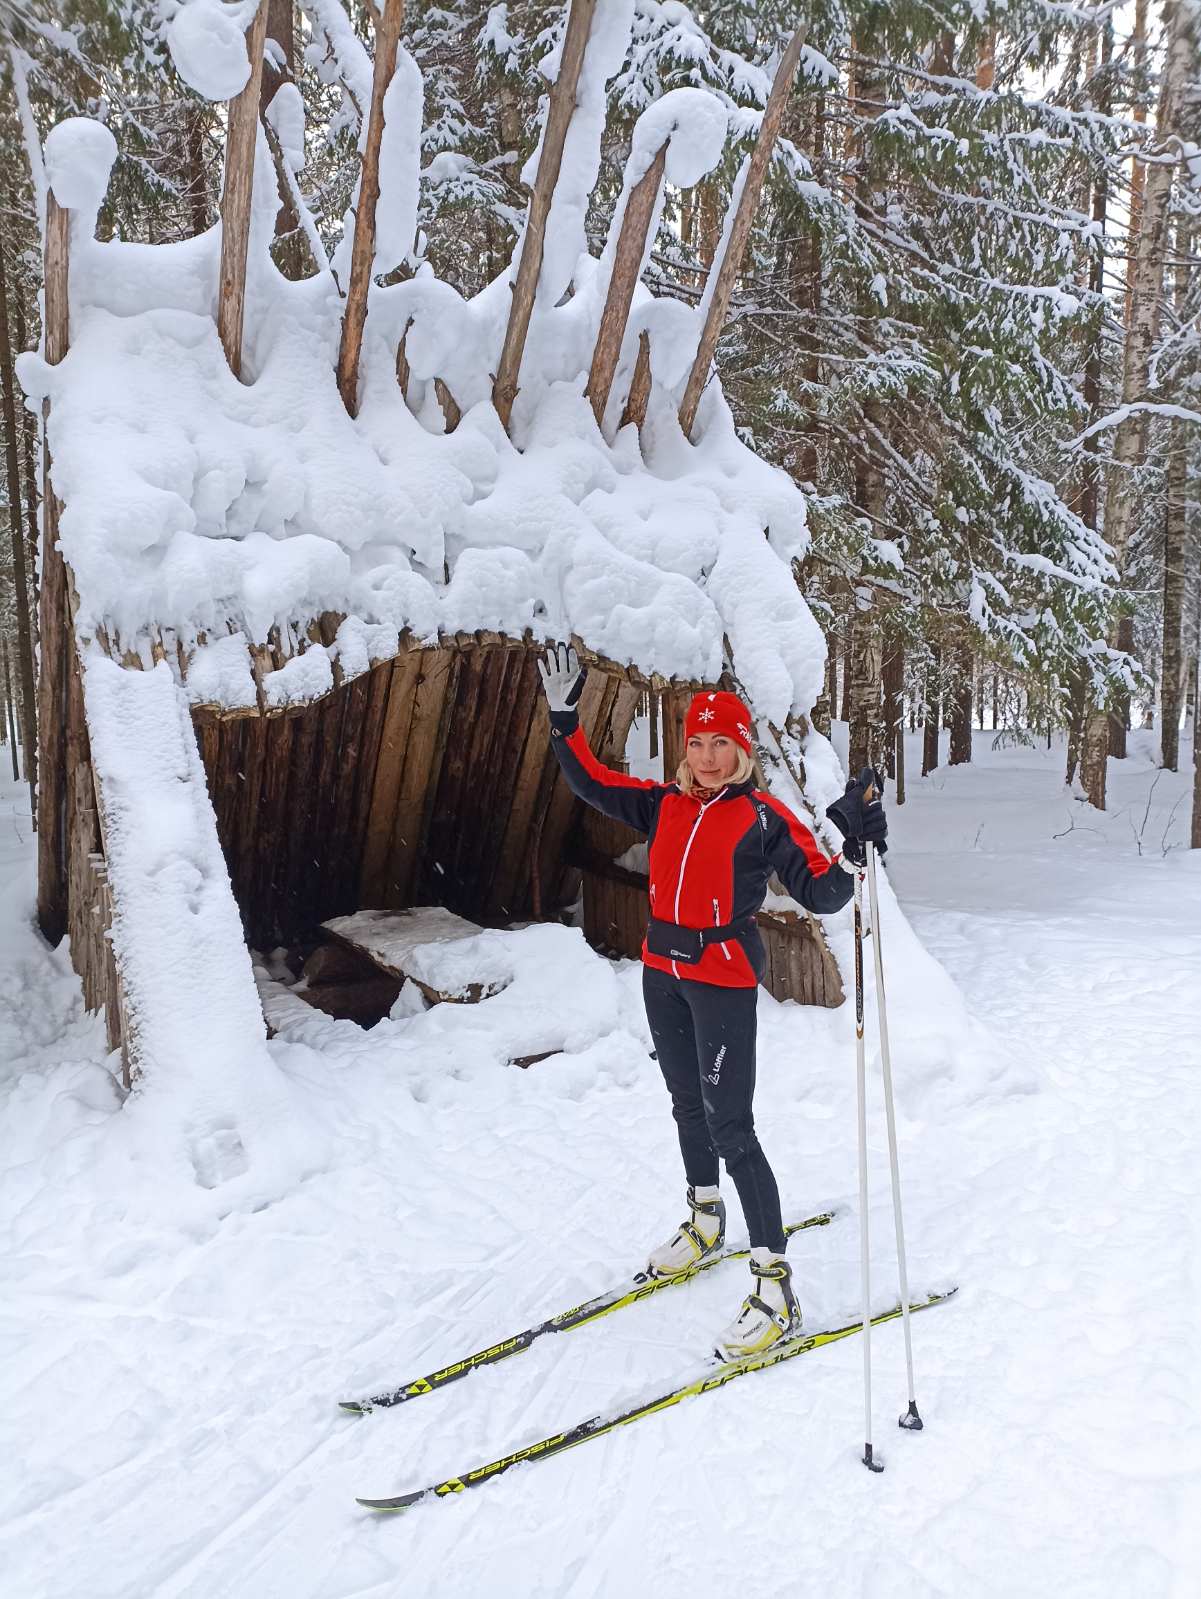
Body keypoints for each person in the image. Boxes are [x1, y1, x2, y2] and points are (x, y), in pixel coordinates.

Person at [538, 644, 888, 1360]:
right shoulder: (663, 804)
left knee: (732, 1125)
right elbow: (588, 780)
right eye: (695, 741)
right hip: (660, 972)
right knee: (685, 1105)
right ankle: (704, 1218)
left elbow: (821, 892)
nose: (705, 755)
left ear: (741, 750)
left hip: (721, 978)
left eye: (719, 743)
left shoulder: (762, 818)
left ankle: (774, 1286)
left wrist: (851, 846)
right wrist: (563, 719)